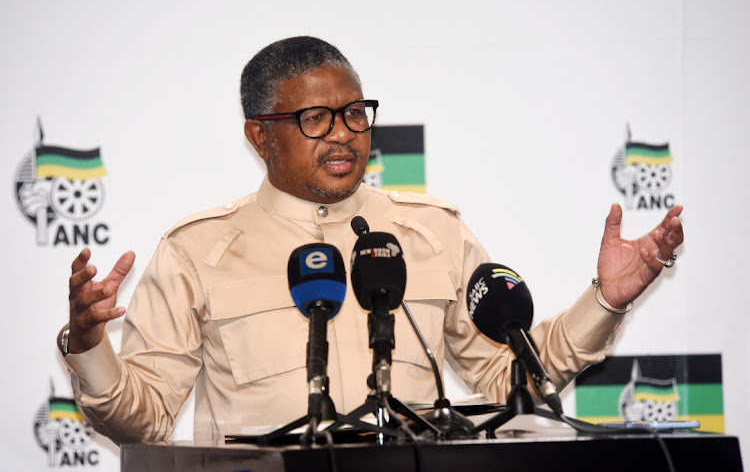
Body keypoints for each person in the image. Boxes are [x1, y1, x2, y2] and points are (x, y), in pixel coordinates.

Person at [59, 36, 684, 444]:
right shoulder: (197, 250)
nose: (343, 134)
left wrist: (605, 299)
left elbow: (506, 379)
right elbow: (143, 420)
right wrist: (89, 346)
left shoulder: (431, 230)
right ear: (259, 136)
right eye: (314, 119)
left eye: (356, 113)